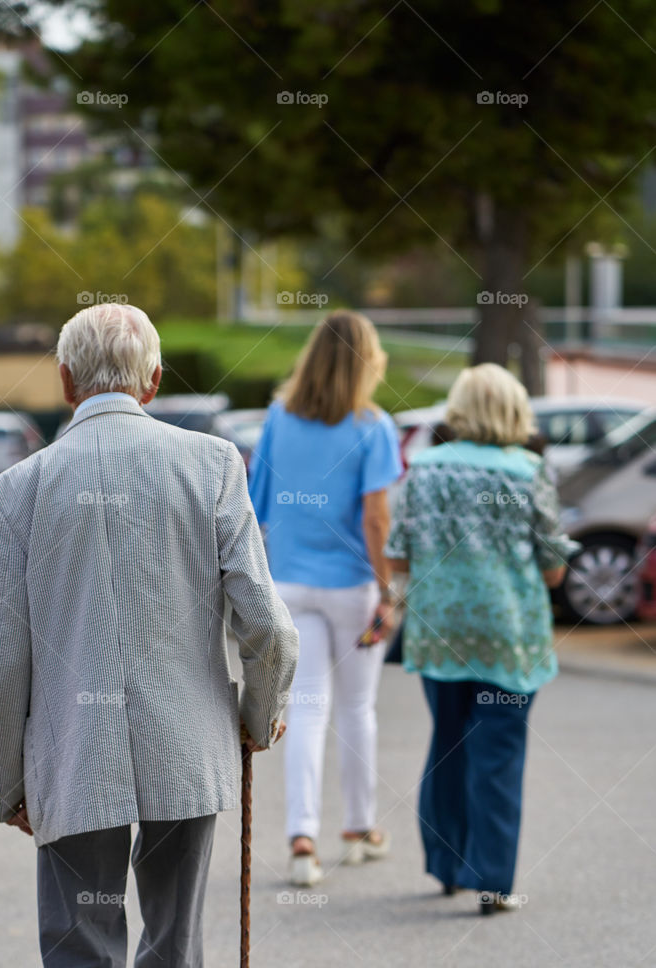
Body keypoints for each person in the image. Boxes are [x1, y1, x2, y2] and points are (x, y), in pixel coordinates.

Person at [0, 303, 297, 968]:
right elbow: (265, 624)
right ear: (153, 382)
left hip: (71, 755)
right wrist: (255, 716)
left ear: (66, 383)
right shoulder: (212, 465)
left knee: (82, 945)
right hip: (187, 744)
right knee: (172, 936)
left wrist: (5, 780)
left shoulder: (12, 495)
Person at [384, 363, 579, 915]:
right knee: (498, 752)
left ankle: (447, 865)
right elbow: (552, 567)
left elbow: (398, 552)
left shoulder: (425, 467)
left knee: (446, 742)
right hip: (507, 633)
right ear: (515, 410)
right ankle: (493, 880)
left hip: (439, 629)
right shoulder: (527, 471)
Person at [248, 310, 403, 889]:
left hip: (289, 583)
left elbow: (255, 507)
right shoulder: (373, 425)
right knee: (357, 709)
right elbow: (376, 517)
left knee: (307, 708)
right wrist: (389, 591)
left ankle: (301, 839)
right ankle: (359, 830)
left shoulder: (277, 418)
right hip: (352, 587)